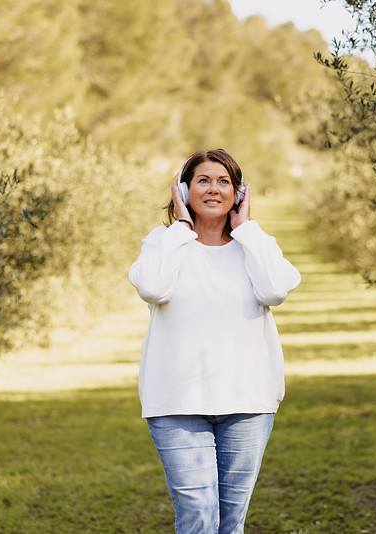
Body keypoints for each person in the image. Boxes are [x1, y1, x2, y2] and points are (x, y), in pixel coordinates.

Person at [129, 148, 301, 533]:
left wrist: (246, 228)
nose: (213, 189)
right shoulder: (162, 243)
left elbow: (275, 290)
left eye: (224, 181)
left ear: (238, 193)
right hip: (176, 402)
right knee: (198, 517)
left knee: (230, 522)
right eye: (202, 180)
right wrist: (181, 228)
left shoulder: (255, 245)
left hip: (247, 401)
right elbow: (153, 288)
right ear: (183, 190)